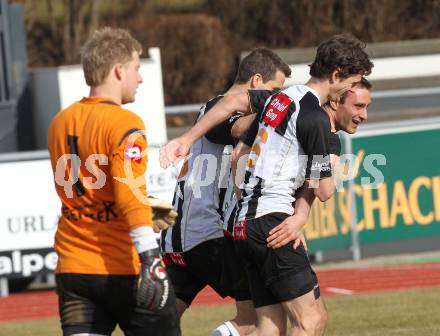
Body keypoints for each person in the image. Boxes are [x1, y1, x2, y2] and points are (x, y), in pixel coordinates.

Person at [160, 34, 373, 336]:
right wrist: (301, 210)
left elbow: (238, 156)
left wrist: (186, 139)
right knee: (311, 321)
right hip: (270, 222)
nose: (351, 90)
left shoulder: (279, 99)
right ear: (336, 76)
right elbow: (324, 190)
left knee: (268, 327)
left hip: (243, 225)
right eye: (351, 82)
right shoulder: (314, 118)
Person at [48, 27, 180, 336]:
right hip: (123, 266)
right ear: (119, 70)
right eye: (136, 68)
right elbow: (127, 190)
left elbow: (93, 188)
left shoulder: (59, 122)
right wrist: (150, 254)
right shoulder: (125, 122)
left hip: (73, 264)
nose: (140, 77)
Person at [161, 47, 293, 336]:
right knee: (254, 320)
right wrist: (280, 113)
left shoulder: (213, 107)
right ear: (256, 80)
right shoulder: (220, 108)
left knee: (161, 323)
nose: (275, 99)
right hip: (207, 234)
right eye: (273, 91)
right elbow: (239, 130)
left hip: (183, 234)